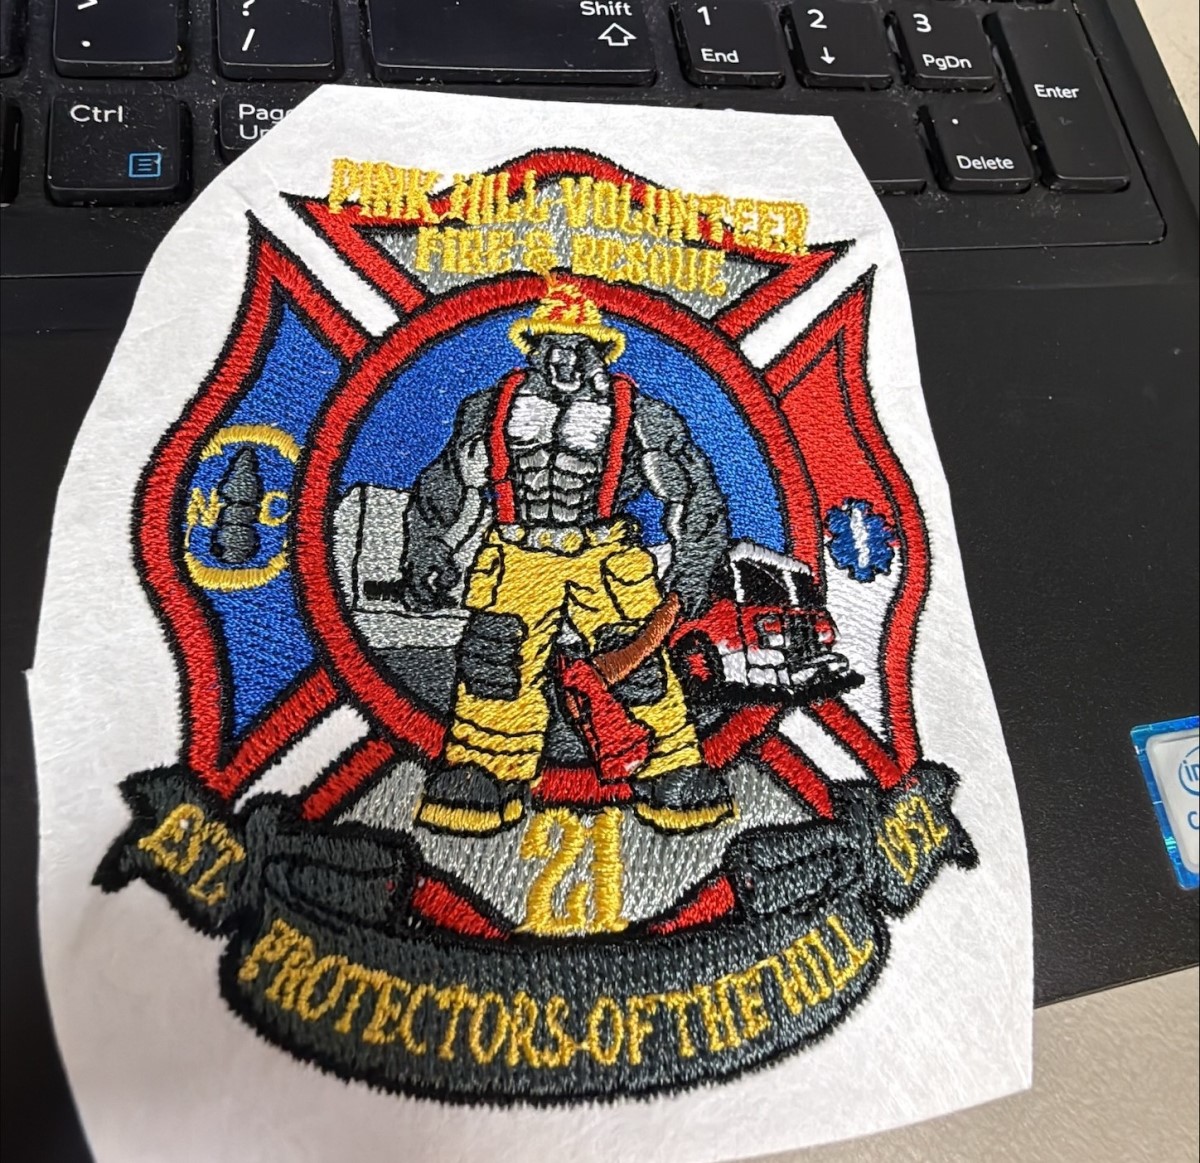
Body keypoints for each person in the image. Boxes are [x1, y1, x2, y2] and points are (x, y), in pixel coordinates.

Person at [400, 281, 732, 836]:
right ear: (533, 348)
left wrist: (696, 560)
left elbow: (689, 486)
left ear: (601, 352)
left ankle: (671, 766)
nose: (565, 358)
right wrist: (428, 546)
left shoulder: (640, 414)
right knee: (496, 660)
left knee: (635, 659)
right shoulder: (488, 409)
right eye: (552, 345)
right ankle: (484, 770)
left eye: (579, 347)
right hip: (517, 553)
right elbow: (449, 479)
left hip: (604, 555)